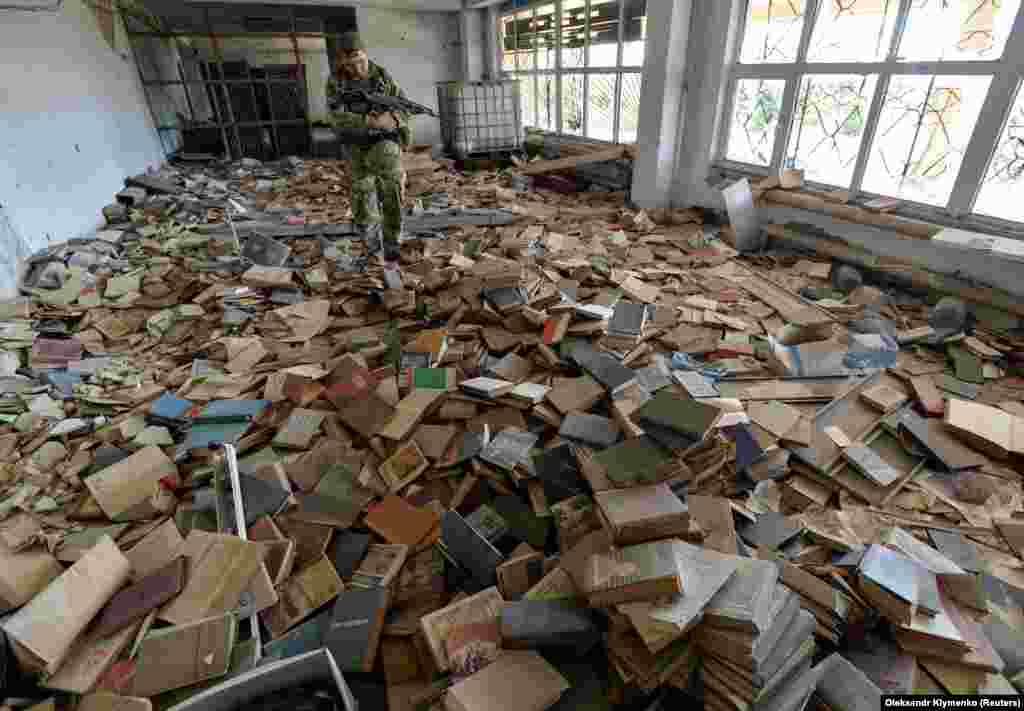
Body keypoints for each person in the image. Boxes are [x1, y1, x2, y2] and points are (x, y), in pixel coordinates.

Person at [326, 32, 410, 267]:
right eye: (349, 61)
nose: (356, 66)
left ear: (365, 53)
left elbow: (404, 106)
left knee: (391, 191)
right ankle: (372, 247)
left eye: (359, 59)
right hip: (355, 146)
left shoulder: (383, 78)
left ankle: (393, 244)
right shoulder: (336, 82)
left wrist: (394, 119)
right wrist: (367, 122)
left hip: (383, 143)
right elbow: (335, 117)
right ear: (341, 60)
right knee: (362, 197)